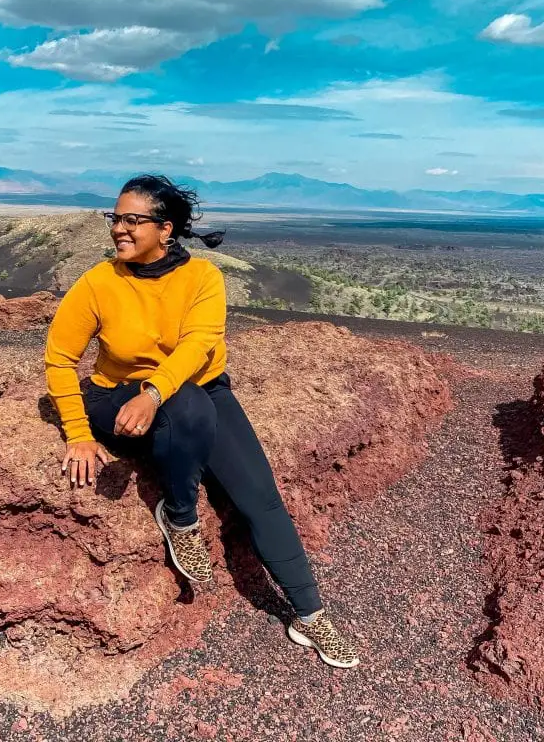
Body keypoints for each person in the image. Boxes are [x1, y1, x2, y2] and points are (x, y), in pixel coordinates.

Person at [44, 174, 359, 669]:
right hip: (114, 395)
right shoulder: (99, 282)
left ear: (165, 228)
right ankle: (181, 516)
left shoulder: (202, 278)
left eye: (132, 220)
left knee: (258, 493)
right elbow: (60, 358)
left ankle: (310, 615)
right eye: (115, 219)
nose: (118, 229)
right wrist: (79, 435)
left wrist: (154, 393)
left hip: (191, 388)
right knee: (187, 406)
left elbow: (199, 346)